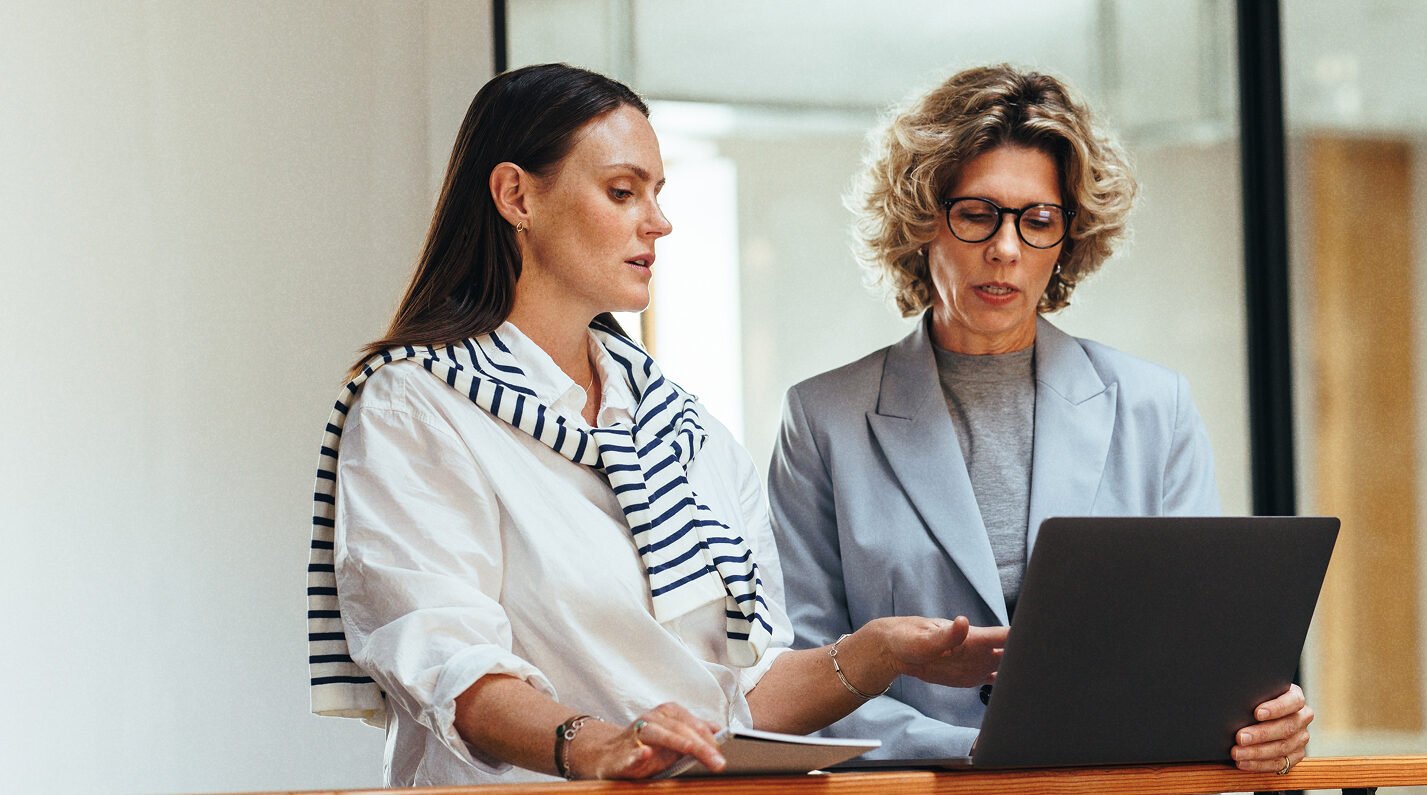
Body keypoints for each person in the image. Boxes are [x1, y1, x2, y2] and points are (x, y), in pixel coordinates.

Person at [303, 63, 1005, 787]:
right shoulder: (417, 405)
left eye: (657, 193)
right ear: (517, 195)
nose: (659, 222)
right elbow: (449, 661)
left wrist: (878, 652)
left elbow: (745, 698)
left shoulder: (687, 431)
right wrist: (596, 746)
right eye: (622, 191)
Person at [769, 65, 1313, 772]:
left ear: (1067, 239)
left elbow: (1201, 649)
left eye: (1037, 221)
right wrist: (978, 750)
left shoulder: (1156, 408)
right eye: (976, 214)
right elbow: (806, 678)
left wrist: (1265, 719)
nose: (1006, 248)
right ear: (922, 220)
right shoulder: (822, 420)